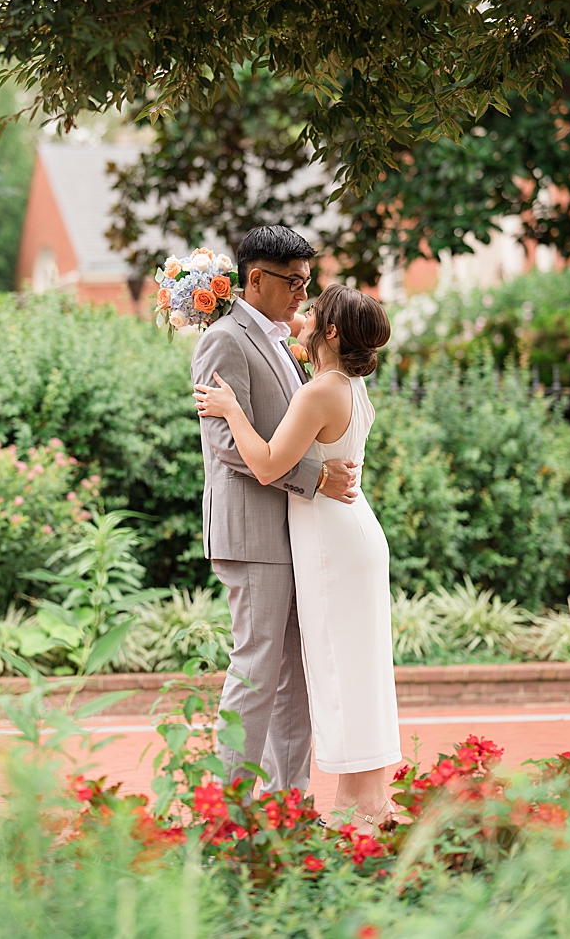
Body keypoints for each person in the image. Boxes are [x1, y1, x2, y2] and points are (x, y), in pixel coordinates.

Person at [195, 283, 400, 828]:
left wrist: (232, 408)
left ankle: (364, 806)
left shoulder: (318, 392)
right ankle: (365, 802)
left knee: (340, 668)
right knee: (356, 668)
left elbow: (263, 464)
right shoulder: (347, 386)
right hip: (346, 530)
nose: (302, 316)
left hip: (333, 539)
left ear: (331, 331)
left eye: (312, 312)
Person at [190, 226, 362, 799]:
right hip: (251, 533)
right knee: (258, 669)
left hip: (292, 533)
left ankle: (287, 801)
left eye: (307, 282)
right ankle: (230, 805)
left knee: (296, 676)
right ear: (255, 278)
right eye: (291, 281)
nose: (300, 293)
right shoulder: (225, 339)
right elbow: (224, 446)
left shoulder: (280, 341)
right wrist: (315, 477)